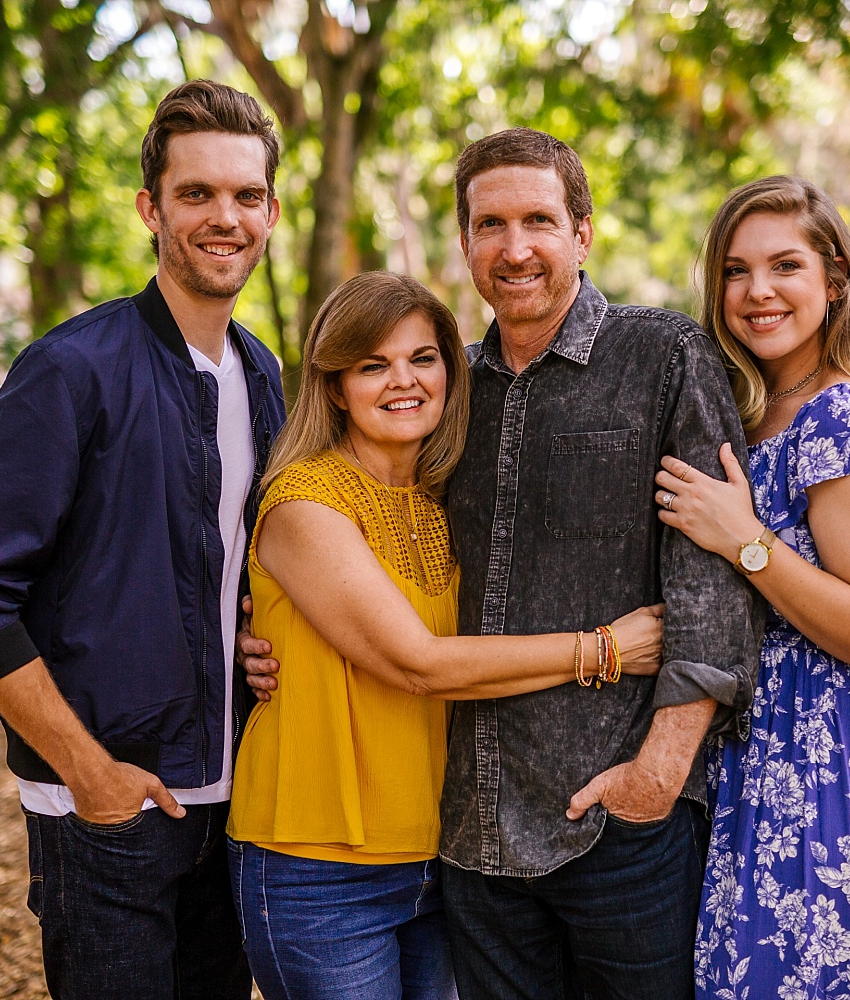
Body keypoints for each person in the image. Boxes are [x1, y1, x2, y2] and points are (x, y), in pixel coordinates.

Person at [243, 128, 764, 999]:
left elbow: (711, 579)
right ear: (466, 243)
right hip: (471, 839)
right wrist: (258, 632)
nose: (515, 248)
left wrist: (660, 775)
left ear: (582, 232)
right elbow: (363, 585)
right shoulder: (451, 396)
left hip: (617, 818)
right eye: (491, 224)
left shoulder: (663, 357)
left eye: (538, 220)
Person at [0, 80, 286, 999]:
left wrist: (246, 636)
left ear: (272, 212)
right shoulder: (69, 369)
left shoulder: (263, 373)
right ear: (149, 207)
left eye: (245, 196)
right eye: (195, 194)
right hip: (106, 810)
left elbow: (218, 560)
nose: (223, 217)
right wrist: (89, 773)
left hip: (236, 800)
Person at [225, 270, 666, 1000]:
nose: (403, 381)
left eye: (422, 359)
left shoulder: (442, 498)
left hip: (439, 858)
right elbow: (420, 664)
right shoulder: (305, 499)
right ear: (335, 385)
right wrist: (604, 650)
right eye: (373, 365)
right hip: (317, 868)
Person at [651, 175, 850, 998]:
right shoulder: (752, 407)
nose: (757, 292)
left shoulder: (842, 416)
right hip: (755, 749)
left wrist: (746, 542)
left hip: (826, 755)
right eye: (735, 270)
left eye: (784, 266)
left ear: (835, 279)